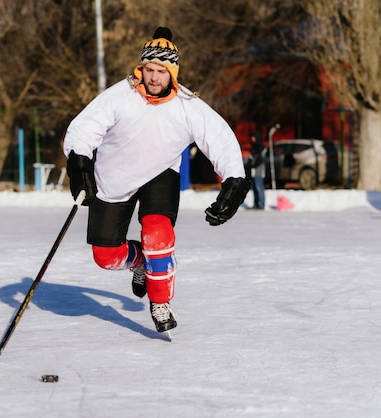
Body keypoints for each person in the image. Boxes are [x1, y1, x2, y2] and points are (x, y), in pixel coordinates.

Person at [63, 27, 249, 335]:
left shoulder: (188, 105)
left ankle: (160, 301)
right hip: (114, 177)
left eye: (161, 70)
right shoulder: (120, 95)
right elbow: (83, 129)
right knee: (106, 257)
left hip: (160, 174)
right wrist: (80, 164)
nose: (153, 76)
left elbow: (221, 140)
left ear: (172, 73)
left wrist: (233, 183)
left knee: (157, 231)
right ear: (141, 68)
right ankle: (140, 262)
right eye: (149, 69)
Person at [248, 132, 266, 210]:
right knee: (254, 186)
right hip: (253, 168)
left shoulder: (261, 147)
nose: (252, 139)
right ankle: (256, 204)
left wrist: (253, 163)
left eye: (254, 137)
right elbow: (251, 158)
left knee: (259, 186)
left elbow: (260, 159)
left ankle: (261, 204)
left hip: (259, 167)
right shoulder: (253, 148)